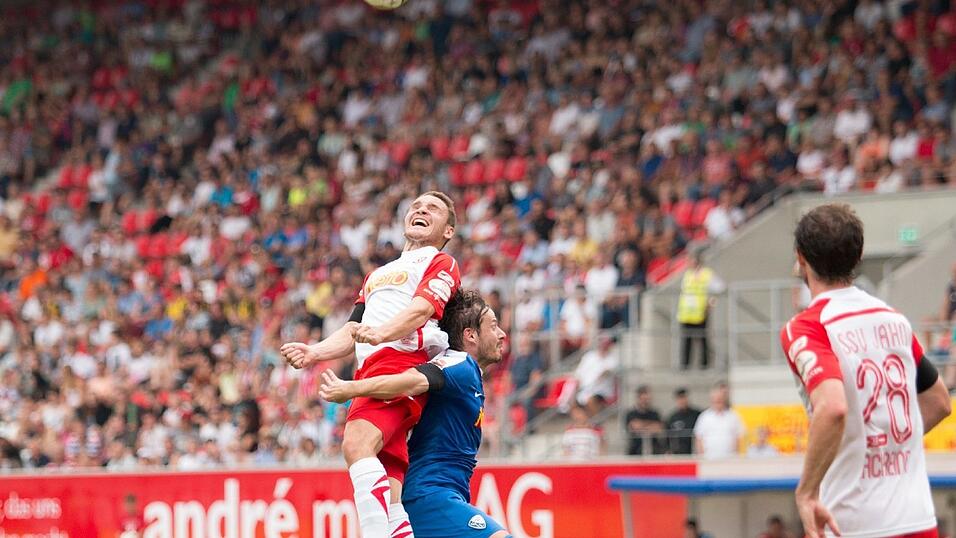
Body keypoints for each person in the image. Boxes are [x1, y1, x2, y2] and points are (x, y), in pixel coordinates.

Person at [281, 191, 461, 537]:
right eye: (416, 206)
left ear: (448, 231)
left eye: (433, 209)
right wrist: (314, 352)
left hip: (399, 362)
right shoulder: (378, 274)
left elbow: (422, 309)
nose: (421, 209)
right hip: (371, 367)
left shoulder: (440, 262)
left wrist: (381, 334)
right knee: (389, 485)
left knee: (355, 445)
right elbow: (353, 328)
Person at [780, 203, 951, 538]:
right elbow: (939, 402)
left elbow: (833, 407)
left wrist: (807, 491)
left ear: (801, 258)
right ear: (858, 258)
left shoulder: (808, 327)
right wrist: (885, 449)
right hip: (918, 519)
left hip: (854, 523)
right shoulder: (893, 319)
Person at [318, 290, 510, 538]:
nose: (502, 333)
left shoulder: (467, 373)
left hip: (444, 494)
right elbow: (411, 380)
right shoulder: (458, 363)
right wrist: (350, 388)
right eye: (493, 326)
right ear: (470, 335)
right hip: (430, 497)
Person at [677, 249, 724, 369]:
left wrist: (711, 302)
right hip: (686, 314)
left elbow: (720, 288)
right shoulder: (688, 275)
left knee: (703, 339)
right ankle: (685, 365)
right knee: (686, 340)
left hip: (700, 312)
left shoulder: (706, 274)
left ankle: (704, 365)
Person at [693, 382, 744, 459]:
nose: (718, 402)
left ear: (724, 400)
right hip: (709, 458)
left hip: (729, 458)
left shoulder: (733, 416)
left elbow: (739, 437)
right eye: (715, 400)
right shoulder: (704, 417)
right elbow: (699, 438)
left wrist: (735, 455)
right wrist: (702, 456)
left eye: (719, 400)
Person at [625, 385, 665, 456]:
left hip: (655, 449)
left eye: (647, 399)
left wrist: (642, 425)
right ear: (638, 398)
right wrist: (650, 425)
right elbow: (634, 427)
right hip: (636, 449)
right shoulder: (631, 414)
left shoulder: (655, 413)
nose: (645, 401)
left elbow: (658, 428)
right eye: (643, 399)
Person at [666, 388, 701, 455]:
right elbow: (668, 436)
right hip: (678, 452)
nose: (682, 401)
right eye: (679, 398)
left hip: (694, 450)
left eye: (683, 398)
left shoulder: (697, 414)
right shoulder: (673, 417)